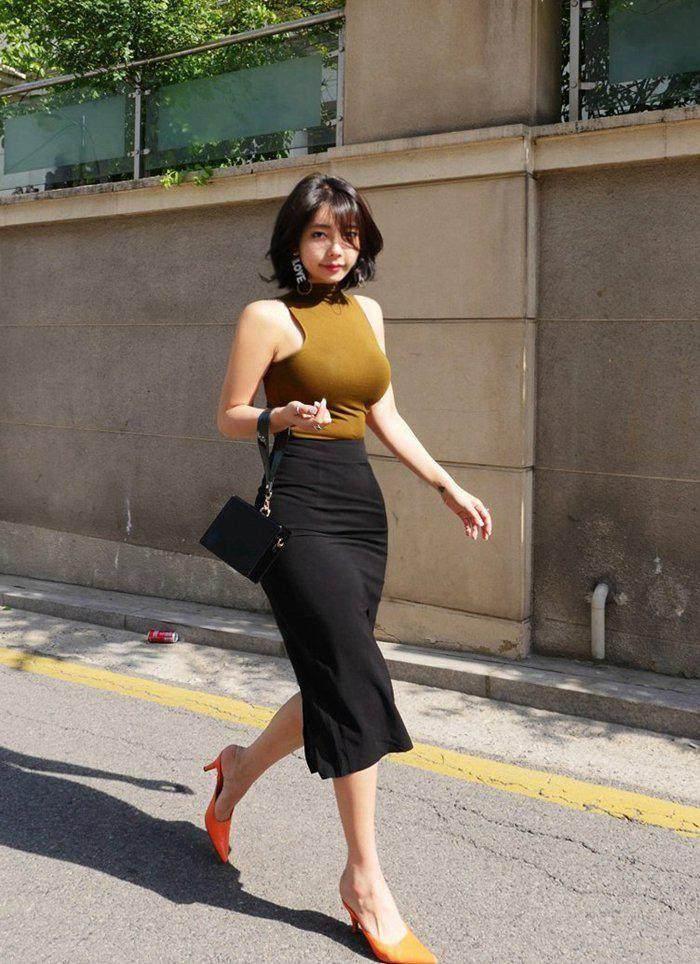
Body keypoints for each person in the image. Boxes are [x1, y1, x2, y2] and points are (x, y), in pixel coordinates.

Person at [204, 172, 492, 963]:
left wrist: (446, 485)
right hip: (297, 509)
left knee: (334, 674)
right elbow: (229, 416)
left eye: (350, 235)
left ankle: (234, 775)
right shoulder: (268, 317)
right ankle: (364, 880)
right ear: (294, 241)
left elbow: (385, 414)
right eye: (321, 234)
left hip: (360, 510)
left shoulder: (368, 313)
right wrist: (278, 413)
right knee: (354, 676)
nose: (336, 249)